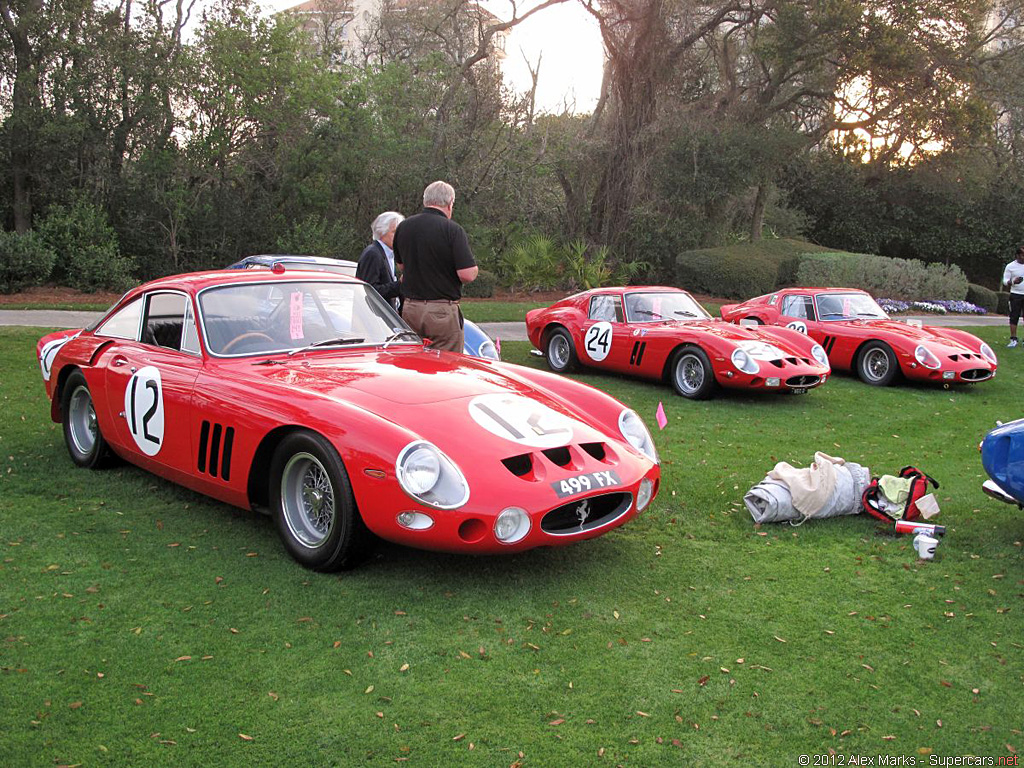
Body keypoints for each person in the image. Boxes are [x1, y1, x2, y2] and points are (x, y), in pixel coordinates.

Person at [393, 180, 478, 352]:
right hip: (441, 311)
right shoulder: (452, 230)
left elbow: (402, 266)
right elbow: (467, 274)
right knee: (447, 364)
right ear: (450, 203)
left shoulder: (403, 227)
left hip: (410, 308)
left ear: (425, 201)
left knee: (413, 360)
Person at [356, 211, 404, 312]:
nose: (399, 236)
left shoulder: (388, 254)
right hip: (373, 319)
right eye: (394, 232)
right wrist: (399, 285)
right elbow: (369, 291)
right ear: (382, 232)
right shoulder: (373, 254)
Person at [1003, 246, 1024, 347]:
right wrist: (1013, 282)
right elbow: (1005, 281)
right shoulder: (1010, 266)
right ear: (1018, 255)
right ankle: (1013, 339)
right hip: (1016, 295)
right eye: (1023, 255)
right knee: (1014, 317)